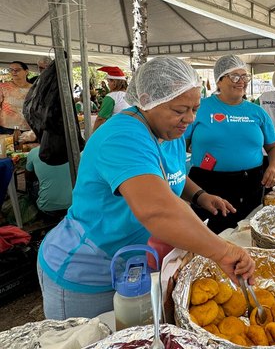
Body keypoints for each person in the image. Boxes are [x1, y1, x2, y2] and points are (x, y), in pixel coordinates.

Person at [37, 57, 255, 320]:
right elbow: (156, 209)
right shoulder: (122, 136)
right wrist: (223, 251)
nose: (189, 118)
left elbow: (170, 176)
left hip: (132, 268)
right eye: (179, 110)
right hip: (86, 270)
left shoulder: (169, 131)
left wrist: (200, 195)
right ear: (147, 99)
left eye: (194, 108)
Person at [186, 55, 275, 234]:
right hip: (207, 184)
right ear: (219, 81)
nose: (241, 82)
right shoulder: (200, 108)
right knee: (209, 236)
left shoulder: (257, 112)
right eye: (235, 77)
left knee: (246, 233)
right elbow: (178, 146)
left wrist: (274, 166)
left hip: (250, 183)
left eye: (245, 77)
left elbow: (273, 146)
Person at [25, 146, 72, 220]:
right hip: (74, 206)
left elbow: (28, 177)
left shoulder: (34, 152)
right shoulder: (74, 150)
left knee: (33, 183)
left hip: (47, 210)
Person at [93, 66, 130, 131]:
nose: (108, 84)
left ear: (114, 83)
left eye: (109, 82)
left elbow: (100, 119)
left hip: (116, 130)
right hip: (130, 128)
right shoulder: (130, 95)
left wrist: (93, 134)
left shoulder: (111, 97)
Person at [0, 61, 32, 134]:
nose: (14, 72)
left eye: (17, 70)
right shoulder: (3, 86)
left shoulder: (34, 88)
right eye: (11, 70)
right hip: (6, 127)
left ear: (26, 71)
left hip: (28, 128)